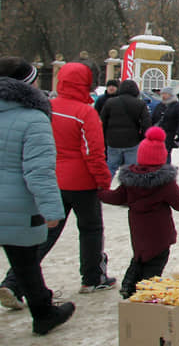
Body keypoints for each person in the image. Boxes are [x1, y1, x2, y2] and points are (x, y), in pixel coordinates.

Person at [2, 62, 117, 297]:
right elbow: (93, 153)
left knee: (45, 234)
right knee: (91, 229)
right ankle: (92, 278)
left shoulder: (46, 107)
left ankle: (14, 281)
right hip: (82, 182)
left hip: (54, 179)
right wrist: (103, 180)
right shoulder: (86, 112)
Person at [0, 57, 76, 335]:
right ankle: (43, 313)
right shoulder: (34, 118)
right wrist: (53, 210)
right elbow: (38, 171)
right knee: (26, 263)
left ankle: (44, 311)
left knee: (26, 262)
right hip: (17, 206)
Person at [98, 127, 179, 298]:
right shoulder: (165, 182)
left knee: (140, 257)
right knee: (155, 262)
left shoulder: (130, 180)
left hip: (138, 230)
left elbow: (116, 197)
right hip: (159, 232)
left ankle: (128, 286)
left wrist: (98, 192)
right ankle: (145, 290)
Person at [100, 79, 151, 177]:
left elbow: (102, 121)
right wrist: (141, 138)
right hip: (132, 141)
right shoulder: (140, 104)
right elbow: (146, 124)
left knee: (110, 167)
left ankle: (103, 188)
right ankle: (130, 190)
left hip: (113, 141)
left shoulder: (110, 102)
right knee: (132, 170)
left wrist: (105, 137)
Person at [151, 86, 179, 164]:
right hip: (156, 134)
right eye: (162, 94)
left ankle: (165, 171)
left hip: (169, 133)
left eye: (165, 94)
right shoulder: (160, 105)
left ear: (170, 95)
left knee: (165, 153)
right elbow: (153, 118)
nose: (163, 96)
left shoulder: (177, 106)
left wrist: (178, 134)